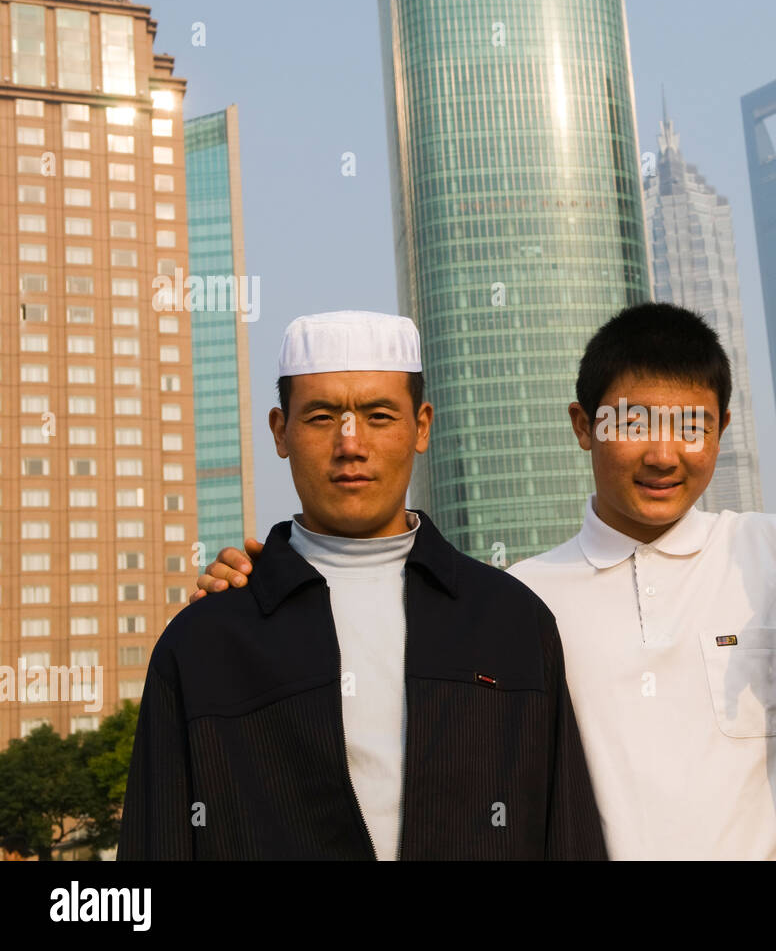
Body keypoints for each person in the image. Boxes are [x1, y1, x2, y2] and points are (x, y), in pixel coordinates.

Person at [193, 303, 776, 859]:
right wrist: (267, 592)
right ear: (582, 425)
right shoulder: (513, 607)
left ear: (722, 428)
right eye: (631, 422)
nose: (663, 454)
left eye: (692, 425)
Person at [119, 310, 604, 860]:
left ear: (421, 426)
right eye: (322, 417)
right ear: (280, 431)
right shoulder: (207, 640)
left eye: (378, 415)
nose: (351, 444)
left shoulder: (510, 621)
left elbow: (567, 833)